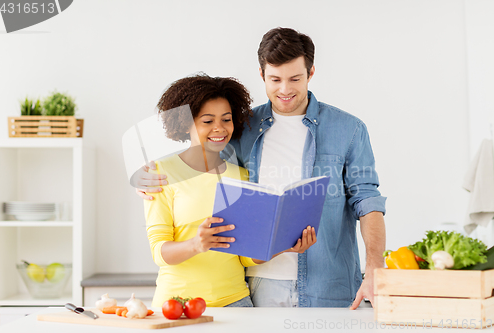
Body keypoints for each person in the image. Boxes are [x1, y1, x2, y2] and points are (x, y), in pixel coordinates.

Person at [137, 28, 386, 309]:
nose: (285, 89)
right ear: (261, 74)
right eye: (275, 79)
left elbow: (367, 200)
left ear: (311, 72)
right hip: (258, 285)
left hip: (329, 281)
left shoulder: (348, 129)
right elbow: (199, 155)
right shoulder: (243, 127)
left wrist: (375, 264)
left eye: (295, 78)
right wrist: (143, 176)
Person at [144, 73, 317, 308]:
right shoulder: (159, 174)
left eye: (226, 119)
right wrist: (196, 244)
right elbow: (159, 252)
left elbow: (245, 257)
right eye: (207, 121)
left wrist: (283, 244)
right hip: (178, 304)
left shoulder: (242, 176)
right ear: (186, 124)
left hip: (237, 302)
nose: (219, 128)